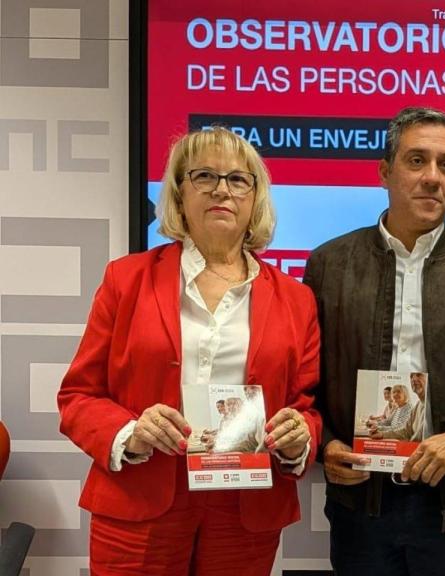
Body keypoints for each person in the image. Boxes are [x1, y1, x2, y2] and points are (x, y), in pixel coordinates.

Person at [57, 127, 322, 575]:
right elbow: (77, 396)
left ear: (255, 198)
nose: (222, 189)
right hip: (141, 495)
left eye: (238, 179)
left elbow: (305, 407)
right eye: (204, 176)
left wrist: (300, 436)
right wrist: (130, 432)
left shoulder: (296, 299)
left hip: (246, 503)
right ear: (180, 194)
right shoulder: (126, 279)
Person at [304, 106, 445, 576]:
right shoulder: (329, 264)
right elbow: (306, 375)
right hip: (360, 500)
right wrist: (326, 444)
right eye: (416, 161)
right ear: (384, 172)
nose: (433, 177)